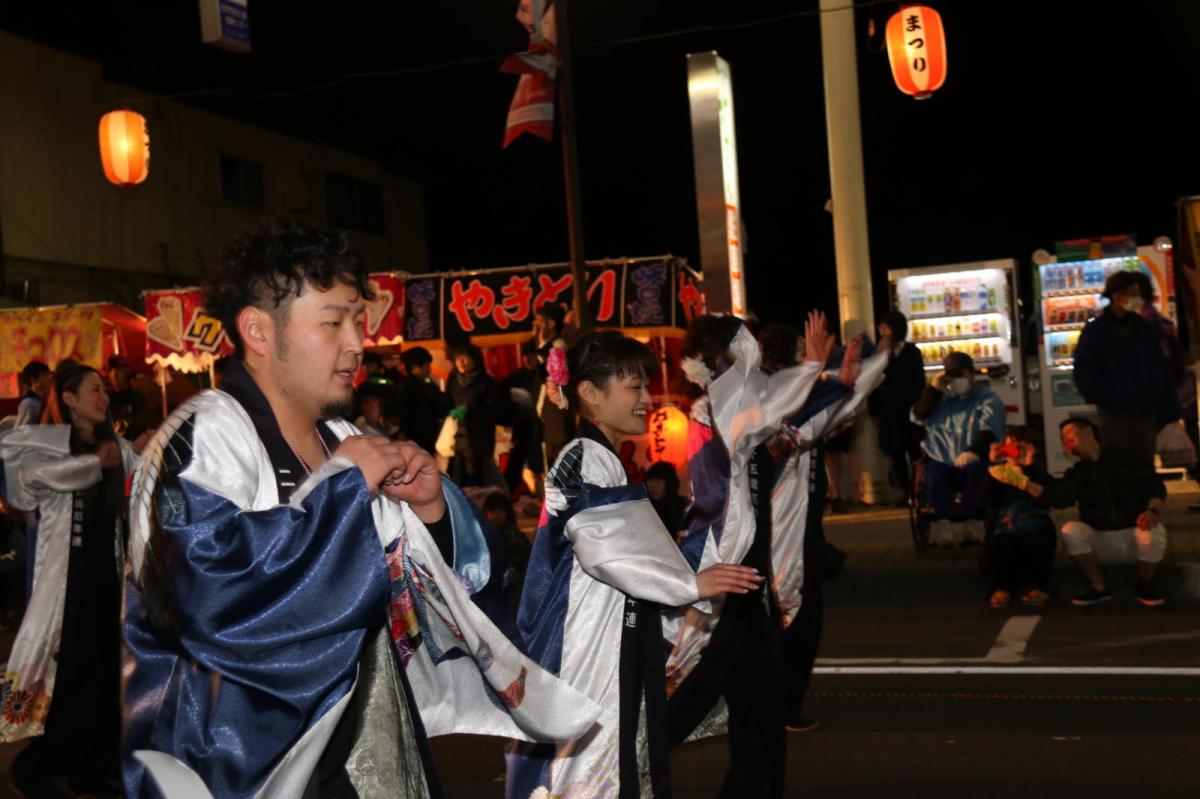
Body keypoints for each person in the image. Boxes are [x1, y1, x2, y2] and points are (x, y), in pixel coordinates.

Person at [121, 217, 599, 799]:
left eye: (357, 319)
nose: (357, 343)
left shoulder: (343, 435)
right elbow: (206, 600)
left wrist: (431, 515)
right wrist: (345, 488)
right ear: (259, 331)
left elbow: (452, 581)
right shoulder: (197, 438)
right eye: (332, 322)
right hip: (233, 761)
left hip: (351, 743)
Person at [507, 331, 761, 799]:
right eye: (633, 387)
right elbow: (604, 548)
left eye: (645, 385)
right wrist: (687, 583)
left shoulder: (601, 458)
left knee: (618, 763)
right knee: (594, 773)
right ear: (588, 393)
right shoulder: (585, 458)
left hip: (608, 635)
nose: (647, 399)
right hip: (588, 646)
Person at [665, 312, 833, 799]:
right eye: (747, 345)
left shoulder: (745, 409)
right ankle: (620, 768)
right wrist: (813, 369)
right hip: (724, 574)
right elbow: (777, 408)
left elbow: (798, 430)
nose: (756, 353)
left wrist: (829, 380)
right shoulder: (711, 409)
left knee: (760, 706)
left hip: (747, 580)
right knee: (685, 700)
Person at [0, 364, 141, 797]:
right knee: (64, 678)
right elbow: (31, 482)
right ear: (70, 398)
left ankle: (94, 769)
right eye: (95, 390)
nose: (104, 397)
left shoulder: (114, 444)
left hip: (106, 580)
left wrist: (147, 447)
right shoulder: (50, 444)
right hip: (66, 583)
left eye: (104, 390)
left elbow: (143, 467)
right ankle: (36, 769)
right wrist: (91, 463)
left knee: (102, 677)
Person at [989, 418, 1167, 607]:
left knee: (1152, 530)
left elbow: (1156, 486)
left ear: (1088, 431)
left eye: (1069, 434)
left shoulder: (1126, 459)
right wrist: (1025, 482)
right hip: (1101, 539)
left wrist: (1152, 510)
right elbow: (1058, 498)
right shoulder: (1078, 473)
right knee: (1070, 530)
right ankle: (1098, 587)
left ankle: (1143, 583)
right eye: (1062, 439)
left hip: (1134, 533)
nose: (1066, 441)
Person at [1072, 270, 1181, 466]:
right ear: (1118, 296)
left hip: (1146, 411)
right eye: (1134, 294)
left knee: (1144, 465)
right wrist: (1104, 397)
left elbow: (1160, 370)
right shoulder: (1096, 332)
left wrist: (1169, 408)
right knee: (1118, 467)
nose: (1138, 300)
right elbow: (1083, 371)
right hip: (1114, 414)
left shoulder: (1144, 329)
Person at [912, 351, 1006, 547]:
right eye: (951, 376)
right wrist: (933, 390)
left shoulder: (986, 398)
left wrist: (974, 451)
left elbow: (990, 428)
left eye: (960, 375)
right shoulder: (942, 398)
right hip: (942, 458)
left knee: (975, 473)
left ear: (971, 375)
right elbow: (919, 415)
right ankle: (944, 525)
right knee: (936, 475)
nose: (956, 381)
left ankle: (972, 524)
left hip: (972, 458)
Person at [976, 427, 1056, 608]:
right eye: (1009, 446)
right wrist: (993, 465)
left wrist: (1029, 466)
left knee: (1034, 537)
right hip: (1003, 526)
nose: (1013, 451)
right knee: (998, 541)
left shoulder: (1037, 473)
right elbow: (982, 502)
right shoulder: (998, 473)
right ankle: (1001, 588)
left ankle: (1039, 587)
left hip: (1033, 527)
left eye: (1018, 446)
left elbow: (1050, 498)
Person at [868, 311, 926, 505]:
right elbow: (872, 383)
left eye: (885, 327)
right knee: (896, 453)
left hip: (909, 411)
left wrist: (918, 405)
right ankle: (907, 492)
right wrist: (875, 410)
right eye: (881, 327)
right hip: (889, 411)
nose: (881, 331)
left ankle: (921, 491)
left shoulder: (911, 351)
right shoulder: (880, 352)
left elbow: (919, 382)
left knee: (915, 452)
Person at [396, 346, 449, 453]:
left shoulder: (418, 384)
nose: (429, 369)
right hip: (417, 440)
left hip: (422, 438)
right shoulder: (412, 387)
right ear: (416, 367)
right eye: (427, 365)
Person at [107, 354, 148, 439]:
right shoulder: (105, 398)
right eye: (111, 370)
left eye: (118, 370)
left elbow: (137, 425)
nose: (114, 374)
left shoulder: (137, 398)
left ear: (127, 372)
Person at [645, 461, 687, 536]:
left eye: (658, 481)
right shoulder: (644, 507)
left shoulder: (683, 509)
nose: (653, 486)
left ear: (669, 483)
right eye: (651, 480)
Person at [15, 361, 51, 427]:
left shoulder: (44, 400)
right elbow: (21, 431)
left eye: (48, 374)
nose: (49, 378)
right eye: (44, 375)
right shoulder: (29, 403)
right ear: (33, 381)